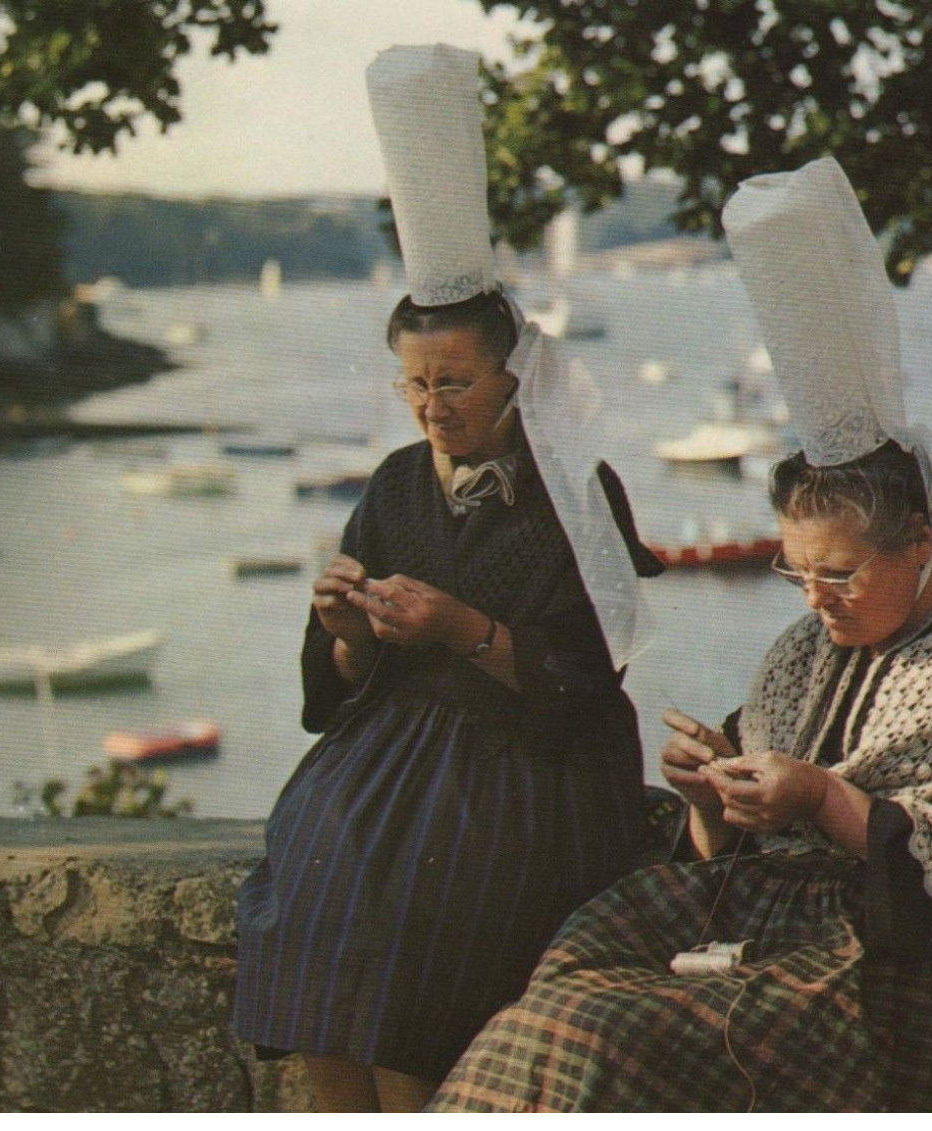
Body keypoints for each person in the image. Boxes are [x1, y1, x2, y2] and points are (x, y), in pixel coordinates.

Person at [428, 158, 932, 1112]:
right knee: (557, 986)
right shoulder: (805, 654)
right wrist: (715, 790)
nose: (815, 601)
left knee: (601, 1038)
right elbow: (723, 855)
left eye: (839, 574)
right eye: (797, 573)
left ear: (920, 539)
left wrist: (822, 796)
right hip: (774, 922)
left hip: (928, 977)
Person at [231, 46, 661, 1112]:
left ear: (516, 380)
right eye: (416, 385)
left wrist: (465, 624)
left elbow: (589, 677)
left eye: (456, 383)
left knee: (424, 924)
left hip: (528, 764)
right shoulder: (391, 483)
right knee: (312, 887)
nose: (433, 407)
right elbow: (337, 682)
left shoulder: (575, 492)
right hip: (393, 754)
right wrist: (349, 627)